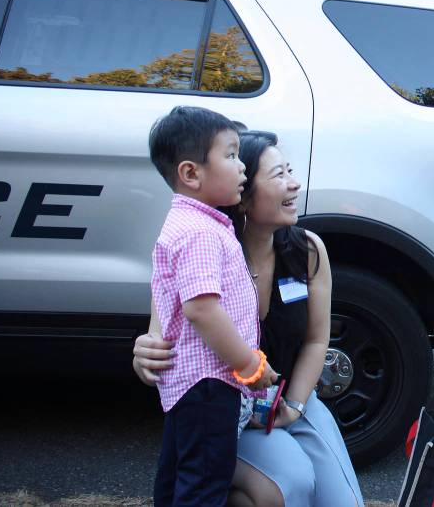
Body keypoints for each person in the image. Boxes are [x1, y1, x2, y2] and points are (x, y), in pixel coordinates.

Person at [135, 130, 365, 507]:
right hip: (228, 408)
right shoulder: (204, 244)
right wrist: (144, 352)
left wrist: (294, 407)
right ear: (243, 194)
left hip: (291, 396)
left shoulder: (307, 250)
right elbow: (163, 328)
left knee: (343, 504)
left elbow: (315, 340)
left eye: (290, 170)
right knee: (287, 488)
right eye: (278, 175)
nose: (294, 183)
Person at [146, 106, 279, 506]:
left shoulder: (196, 224)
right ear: (191, 173)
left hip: (194, 384)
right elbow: (201, 309)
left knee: (179, 474)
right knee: (205, 482)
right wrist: (249, 365)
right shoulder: (199, 232)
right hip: (208, 382)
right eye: (231, 155)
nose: (242, 167)